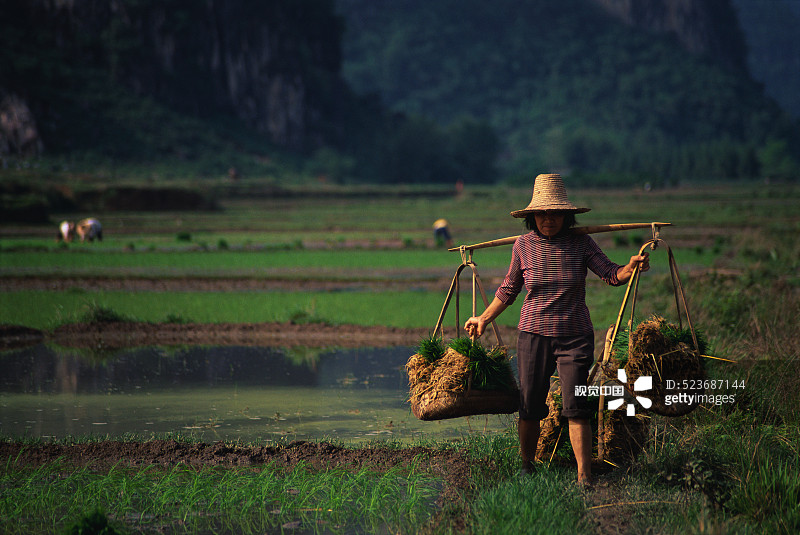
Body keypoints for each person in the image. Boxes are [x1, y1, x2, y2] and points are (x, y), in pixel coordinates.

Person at [464, 173, 649, 485]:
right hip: (533, 335)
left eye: (554, 213)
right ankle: (527, 465)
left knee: (576, 406)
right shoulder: (523, 246)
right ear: (531, 216)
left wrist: (630, 268)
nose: (547, 219)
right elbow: (509, 290)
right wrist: (483, 318)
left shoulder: (581, 244)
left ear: (567, 215)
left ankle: (584, 475)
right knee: (530, 404)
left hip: (575, 336)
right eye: (541, 213)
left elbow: (610, 274)